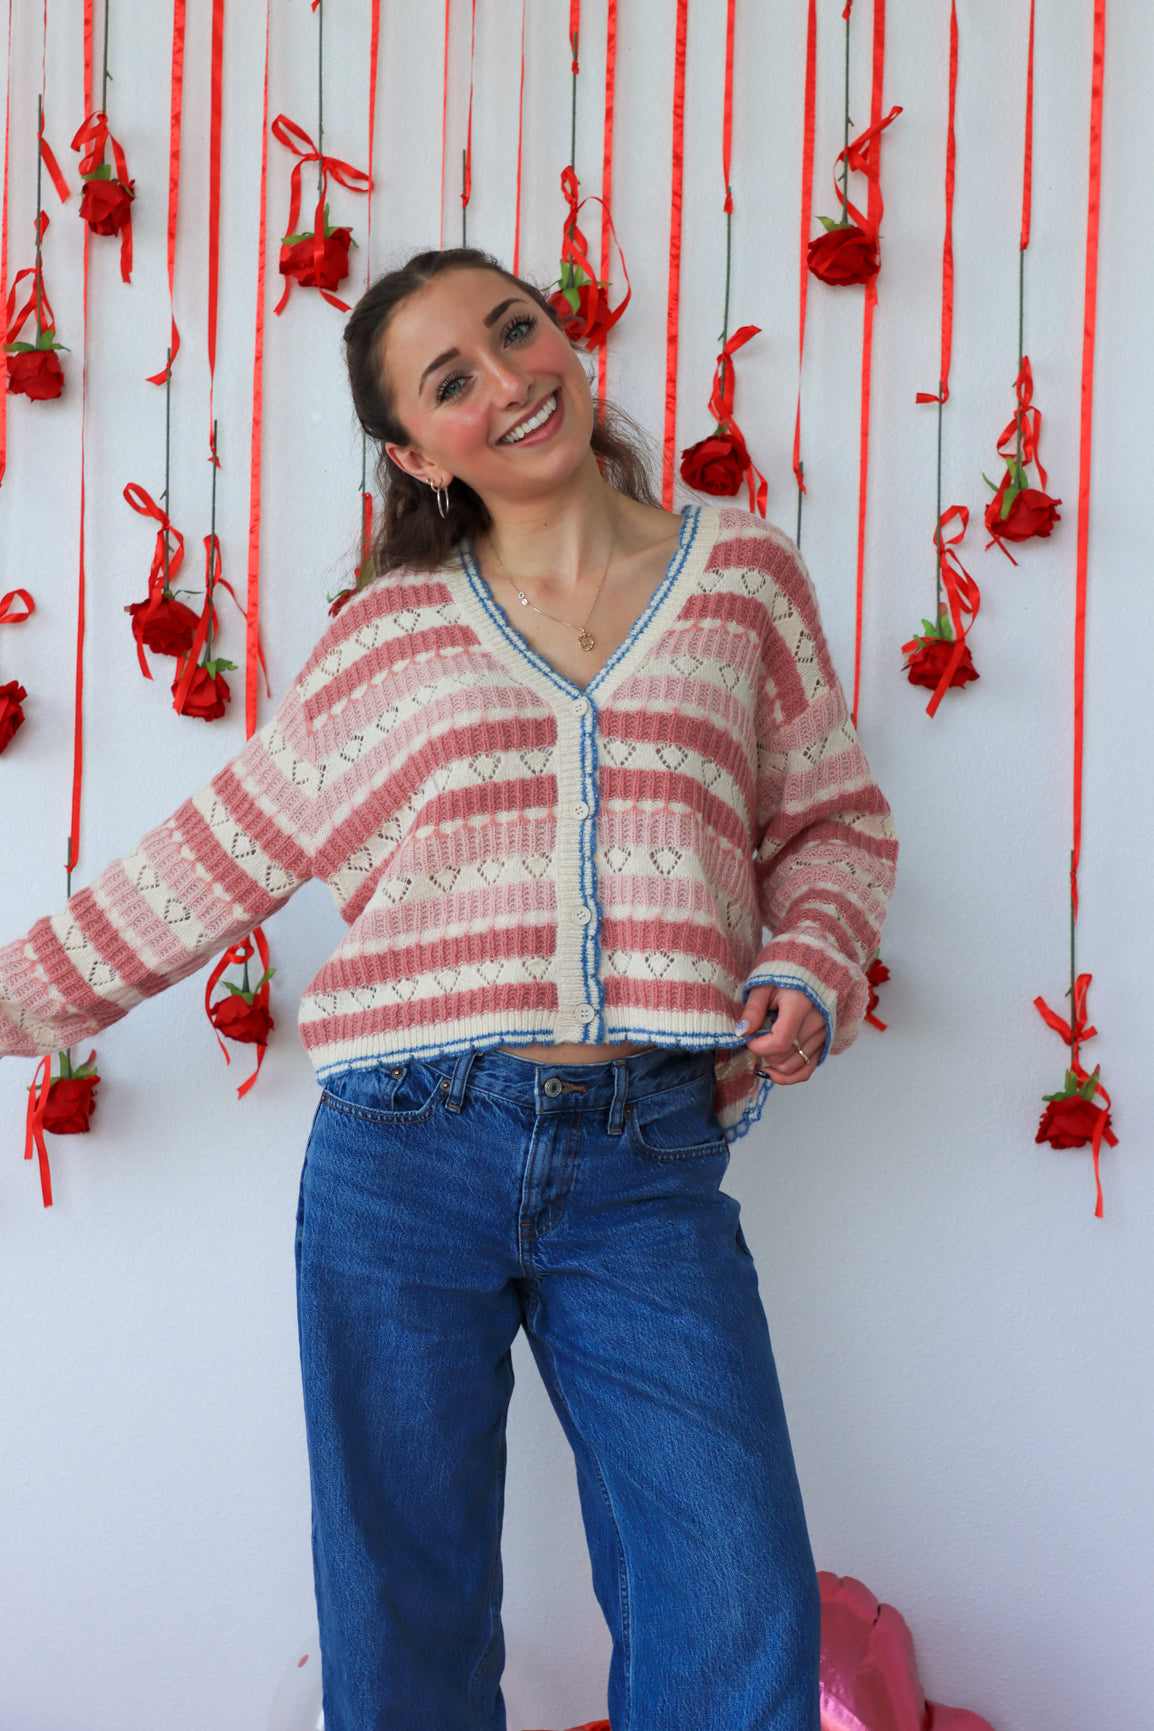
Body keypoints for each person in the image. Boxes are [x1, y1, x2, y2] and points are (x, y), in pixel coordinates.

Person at [0, 247, 897, 1730]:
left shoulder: (739, 573)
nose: (509, 380)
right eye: (452, 381)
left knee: (733, 1596)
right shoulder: (389, 637)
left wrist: (806, 959)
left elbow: (832, 827)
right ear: (417, 453)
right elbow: (207, 859)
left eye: (515, 331)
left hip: (647, 1155)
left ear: (562, 338)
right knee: (398, 1601)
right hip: (403, 1150)